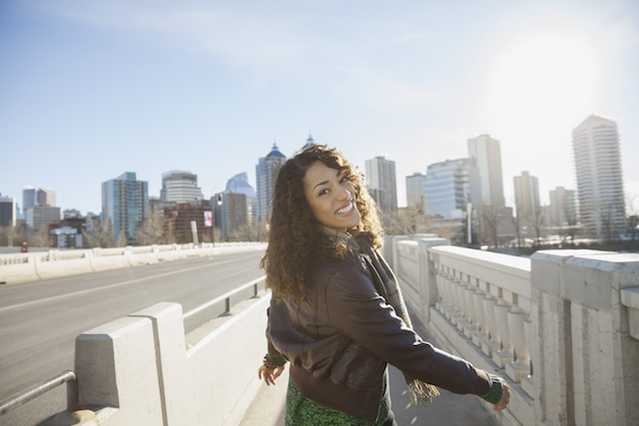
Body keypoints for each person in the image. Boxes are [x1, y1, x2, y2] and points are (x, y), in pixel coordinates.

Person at [258, 144, 510, 425]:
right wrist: (484, 384)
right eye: (323, 191)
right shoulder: (339, 274)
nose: (344, 193)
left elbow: (278, 311)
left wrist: (274, 358)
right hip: (343, 414)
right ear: (303, 210)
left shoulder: (296, 258)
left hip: (303, 397)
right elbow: (403, 347)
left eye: (342, 180)